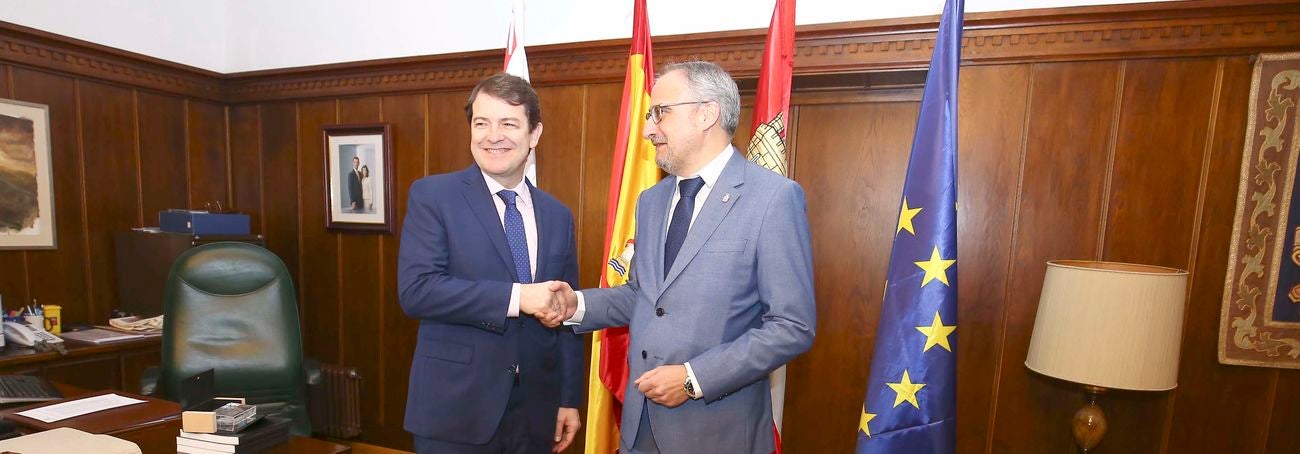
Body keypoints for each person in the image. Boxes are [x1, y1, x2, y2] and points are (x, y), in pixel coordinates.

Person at [547, 61, 816, 453]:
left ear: (707, 113)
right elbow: (646, 296)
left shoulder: (773, 198)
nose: (647, 129)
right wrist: (577, 304)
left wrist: (694, 378)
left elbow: (792, 325)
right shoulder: (652, 201)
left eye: (661, 113)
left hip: (718, 433)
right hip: (640, 428)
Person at [397, 72, 583, 453]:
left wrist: (568, 397)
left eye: (508, 123)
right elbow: (418, 291)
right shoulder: (433, 197)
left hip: (535, 412)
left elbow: (566, 311)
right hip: (455, 410)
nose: (492, 135)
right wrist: (517, 298)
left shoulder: (557, 215)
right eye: (481, 123)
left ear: (534, 135)